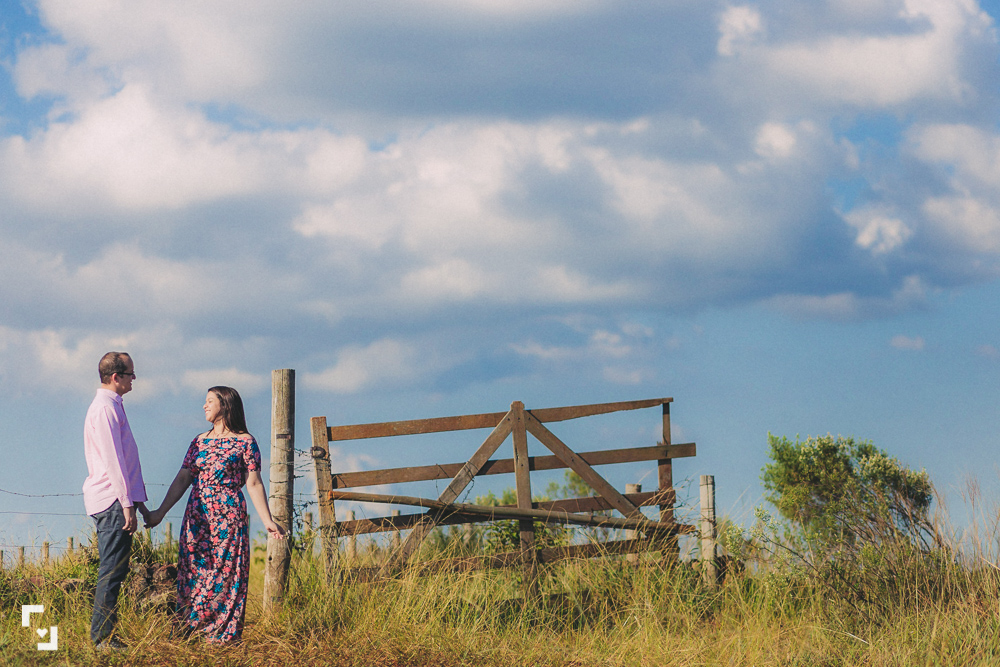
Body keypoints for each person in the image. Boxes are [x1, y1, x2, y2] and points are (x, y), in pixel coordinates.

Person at [145, 385, 285, 644]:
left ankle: (222, 636)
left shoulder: (245, 441)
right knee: (194, 569)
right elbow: (183, 478)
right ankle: (190, 631)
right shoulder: (198, 441)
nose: (204, 406)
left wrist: (267, 521)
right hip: (196, 515)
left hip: (229, 516)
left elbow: (253, 483)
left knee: (226, 572)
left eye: (210, 401)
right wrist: (160, 513)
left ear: (226, 405)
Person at [83, 351, 150, 650]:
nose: (134, 378)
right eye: (130, 373)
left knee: (117, 569)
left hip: (118, 500)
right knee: (111, 570)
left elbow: (127, 461)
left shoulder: (112, 406)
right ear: (116, 377)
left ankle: (106, 636)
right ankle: (102, 639)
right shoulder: (105, 409)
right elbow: (114, 461)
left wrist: (138, 503)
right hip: (112, 501)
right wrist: (126, 504)